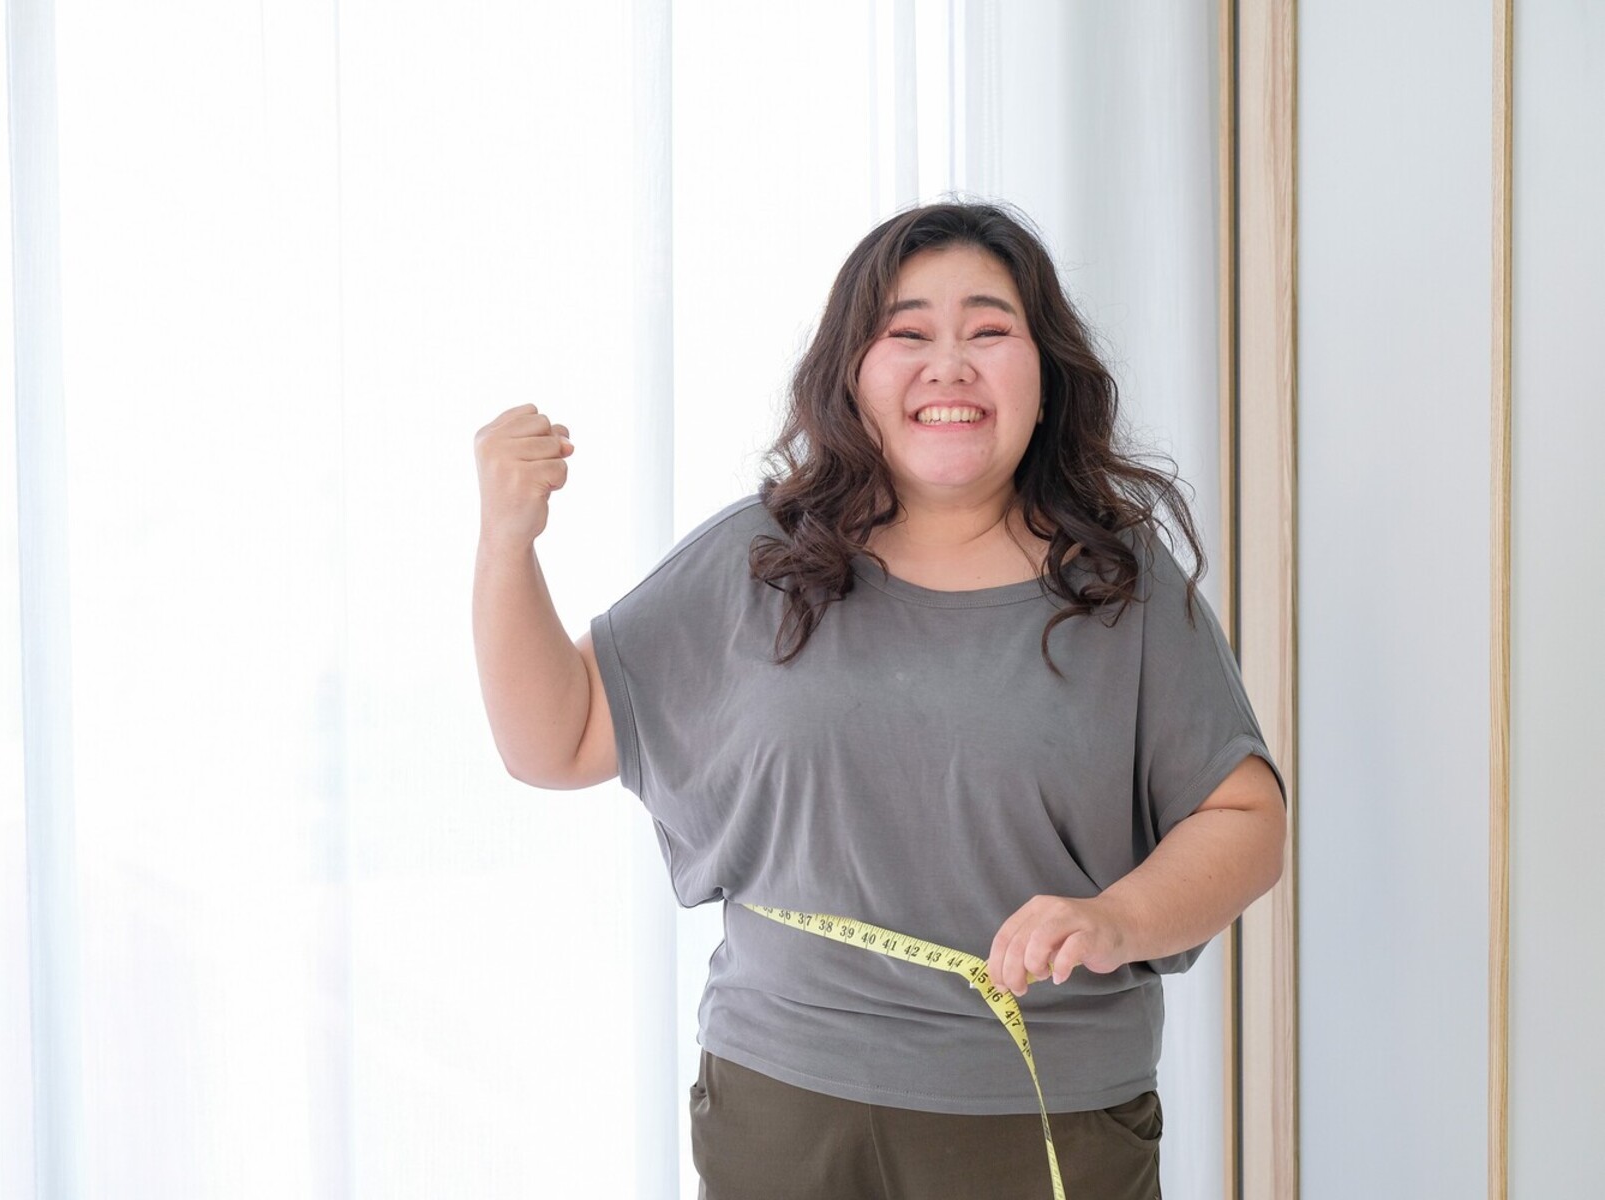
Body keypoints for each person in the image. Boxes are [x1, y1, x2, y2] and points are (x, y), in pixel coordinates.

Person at [472, 201, 1286, 1200]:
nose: (948, 364)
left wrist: (1117, 917)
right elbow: (552, 742)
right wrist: (507, 544)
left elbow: (1244, 817)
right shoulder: (756, 562)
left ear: (1046, 378)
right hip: (783, 1103)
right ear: (851, 373)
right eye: (907, 335)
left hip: (1046, 1113)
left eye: (988, 331)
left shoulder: (1120, 588)